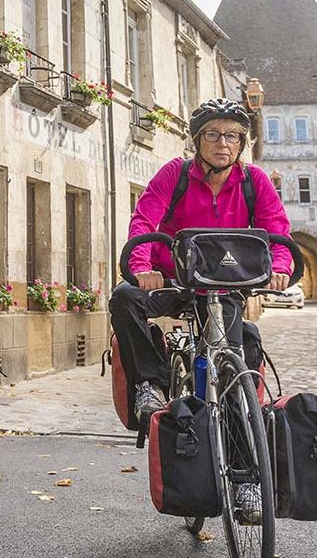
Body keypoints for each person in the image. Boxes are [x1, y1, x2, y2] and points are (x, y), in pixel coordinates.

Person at [109, 97, 292, 523]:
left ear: (242, 143)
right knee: (124, 299)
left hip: (226, 287)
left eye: (232, 136)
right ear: (197, 141)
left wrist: (280, 268)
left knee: (240, 358)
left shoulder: (254, 181)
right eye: (212, 135)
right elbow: (145, 221)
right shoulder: (175, 174)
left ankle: (246, 479)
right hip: (174, 281)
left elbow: (277, 228)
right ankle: (150, 385)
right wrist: (142, 268)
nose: (222, 143)